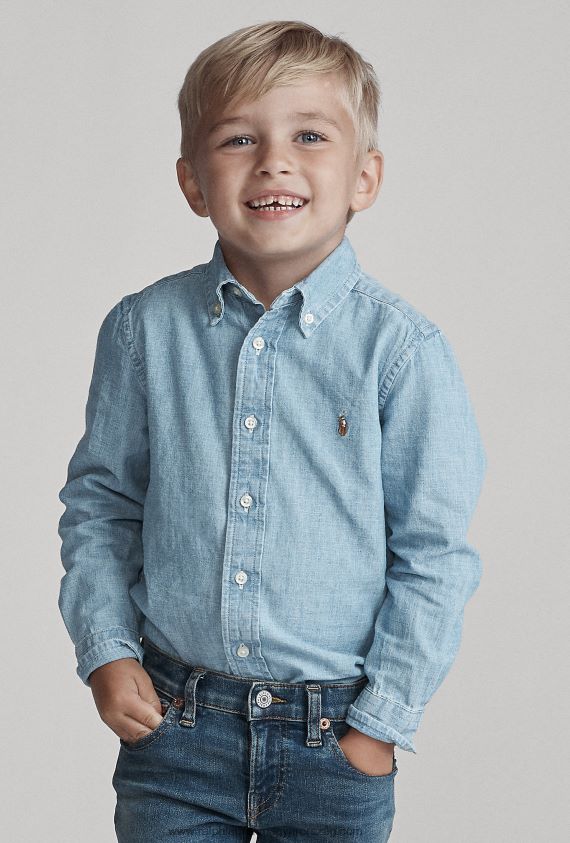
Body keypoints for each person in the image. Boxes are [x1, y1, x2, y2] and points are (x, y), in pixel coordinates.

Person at [57, 19, 487, 842]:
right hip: (175, 728)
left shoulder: (402, 351)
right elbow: (102, 505)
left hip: (336, 737)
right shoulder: (144, 330)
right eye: (239, 139)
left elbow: (435, 554)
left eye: (309, 136)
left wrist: (378, 725)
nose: (274, 162)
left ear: (365, 177)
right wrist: (107, 648)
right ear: (193, 182)